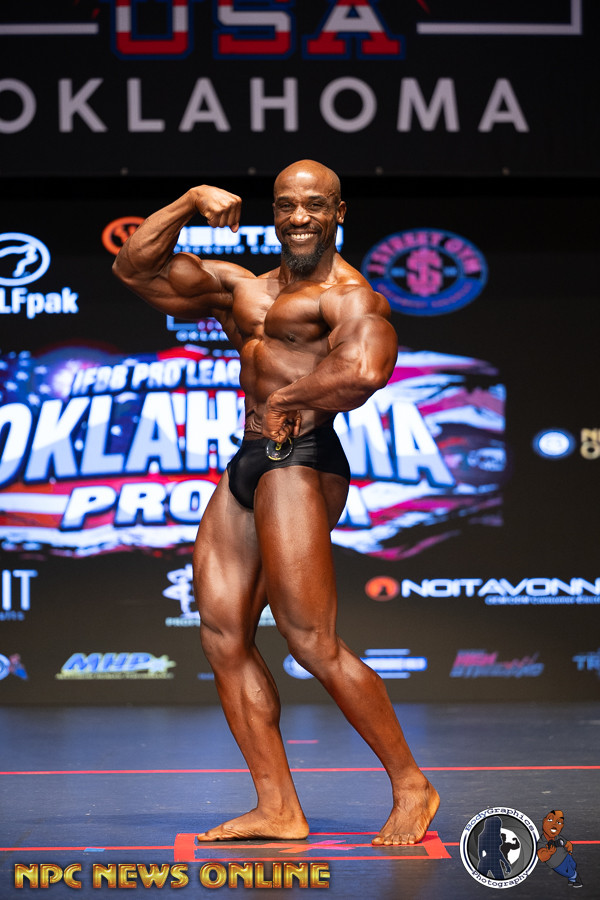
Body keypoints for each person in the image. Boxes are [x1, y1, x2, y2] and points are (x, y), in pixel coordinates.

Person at [113, 159, 439, 846]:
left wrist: (289, 397)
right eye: (287, 204)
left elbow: (366, 370)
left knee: (310, 640)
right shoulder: (244, 289)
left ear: (339, 212)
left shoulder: (350, 297)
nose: (299, 217)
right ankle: (278, 808)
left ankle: (412, 783)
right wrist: (189, 199)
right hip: (250, 459)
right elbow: (135, 269)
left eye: (315, 205)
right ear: (273, 212)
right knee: (222, 631)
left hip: (304, 460)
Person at [537, 810, 583, 887]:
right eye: (550, 820)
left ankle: (571, 880)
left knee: (573, 865)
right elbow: (542, 856)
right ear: (544, 821)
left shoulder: (558, 837)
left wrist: (570, 851)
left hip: (566, 856)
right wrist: (549, 853)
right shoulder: (542, 842)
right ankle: (576, 877)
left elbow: (567, 843)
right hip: (556, 863)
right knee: (569, 873)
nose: (554, 824)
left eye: (559, 822)